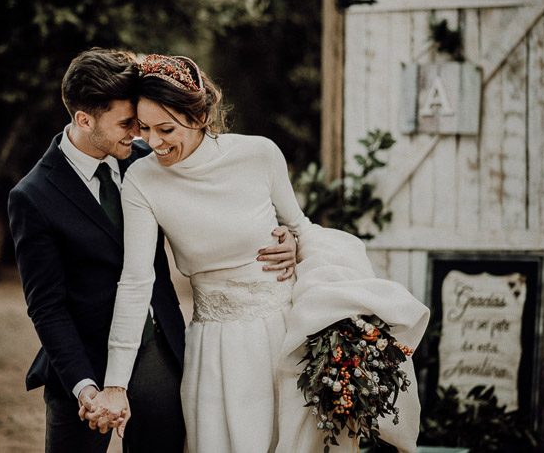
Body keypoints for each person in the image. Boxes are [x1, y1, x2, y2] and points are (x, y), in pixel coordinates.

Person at [85, 54, 430, 452]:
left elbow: (302, 227)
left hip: (285, 339)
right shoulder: (143, 181)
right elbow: (135, 281)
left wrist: (296, 243)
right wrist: (115, 383)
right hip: (216, 349)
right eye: (144, 128)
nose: (154, 142)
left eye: (166, 128)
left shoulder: (259, 155)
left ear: (198, 117)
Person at [7, 48, 299, 453]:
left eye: (144, 124)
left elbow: (217, 200)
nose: (141, 135)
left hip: (156, 344)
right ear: (84, 120)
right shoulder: (32, 196)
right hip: (81, 356)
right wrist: (86, 388)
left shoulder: (148, 159)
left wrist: (285, 235)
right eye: (129, 124)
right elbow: (46, 306)